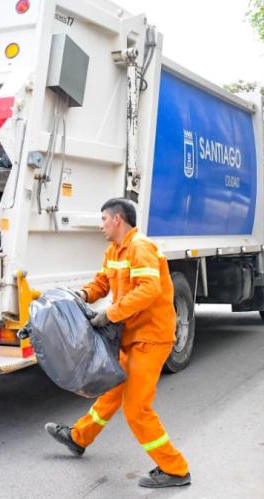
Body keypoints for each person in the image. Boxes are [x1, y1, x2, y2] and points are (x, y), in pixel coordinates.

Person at [44, 198, 191, 489]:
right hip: (131, 336)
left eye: (103, 219)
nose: (100, 225)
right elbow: (102, 282)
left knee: (136, 409)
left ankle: (175, 469)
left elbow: (149, 289)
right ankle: (78, 438)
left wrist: (109, 314)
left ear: (117, 219)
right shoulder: (114, 250)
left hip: (151, 337)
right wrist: (83, 295)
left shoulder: (140, 247)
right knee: (112, 390)